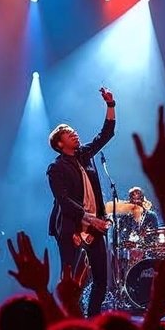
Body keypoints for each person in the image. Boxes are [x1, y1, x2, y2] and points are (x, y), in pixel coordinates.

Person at [47, 87, 118, 315]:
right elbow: (64, 200)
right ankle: (71, 320)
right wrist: (90, 219)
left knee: (101, 280)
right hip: (72, 227)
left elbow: (105, 134)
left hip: (94, 227)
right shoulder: (56, 168)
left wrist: (110, 105)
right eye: (69, 134)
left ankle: (93, 320)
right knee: (70, 282)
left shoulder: (85, 155)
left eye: (74, 131)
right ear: (60, 144)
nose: (75, 134)